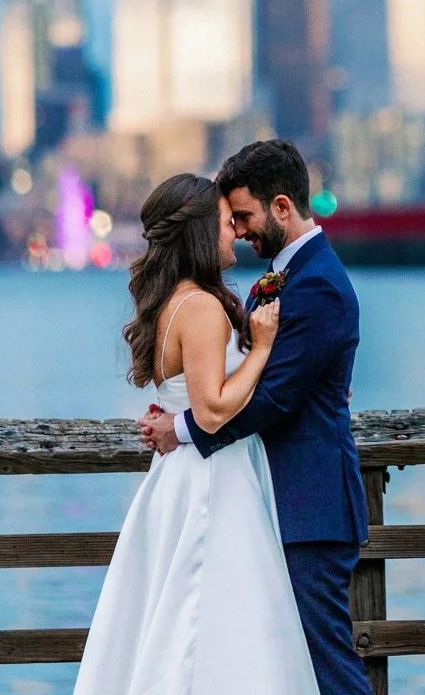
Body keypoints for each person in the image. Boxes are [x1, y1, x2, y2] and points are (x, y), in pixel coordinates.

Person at [140, 140, 373, 695]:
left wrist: (182, 427)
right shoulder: (286, 277)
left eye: (243, 216)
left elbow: (271, 398)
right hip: (273, 501)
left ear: (283, 207)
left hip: (309, 507)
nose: (239, 230)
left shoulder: (319, 287)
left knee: (326, 664)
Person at [74, 172, 320, 694]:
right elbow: (212, 412)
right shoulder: (203, 309)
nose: (234, 232)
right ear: (199, 233)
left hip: (176, 478)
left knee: (179, 616)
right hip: (214, 482)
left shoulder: (174, 304)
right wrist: (262, 347)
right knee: (218, 619)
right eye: (225, 223)